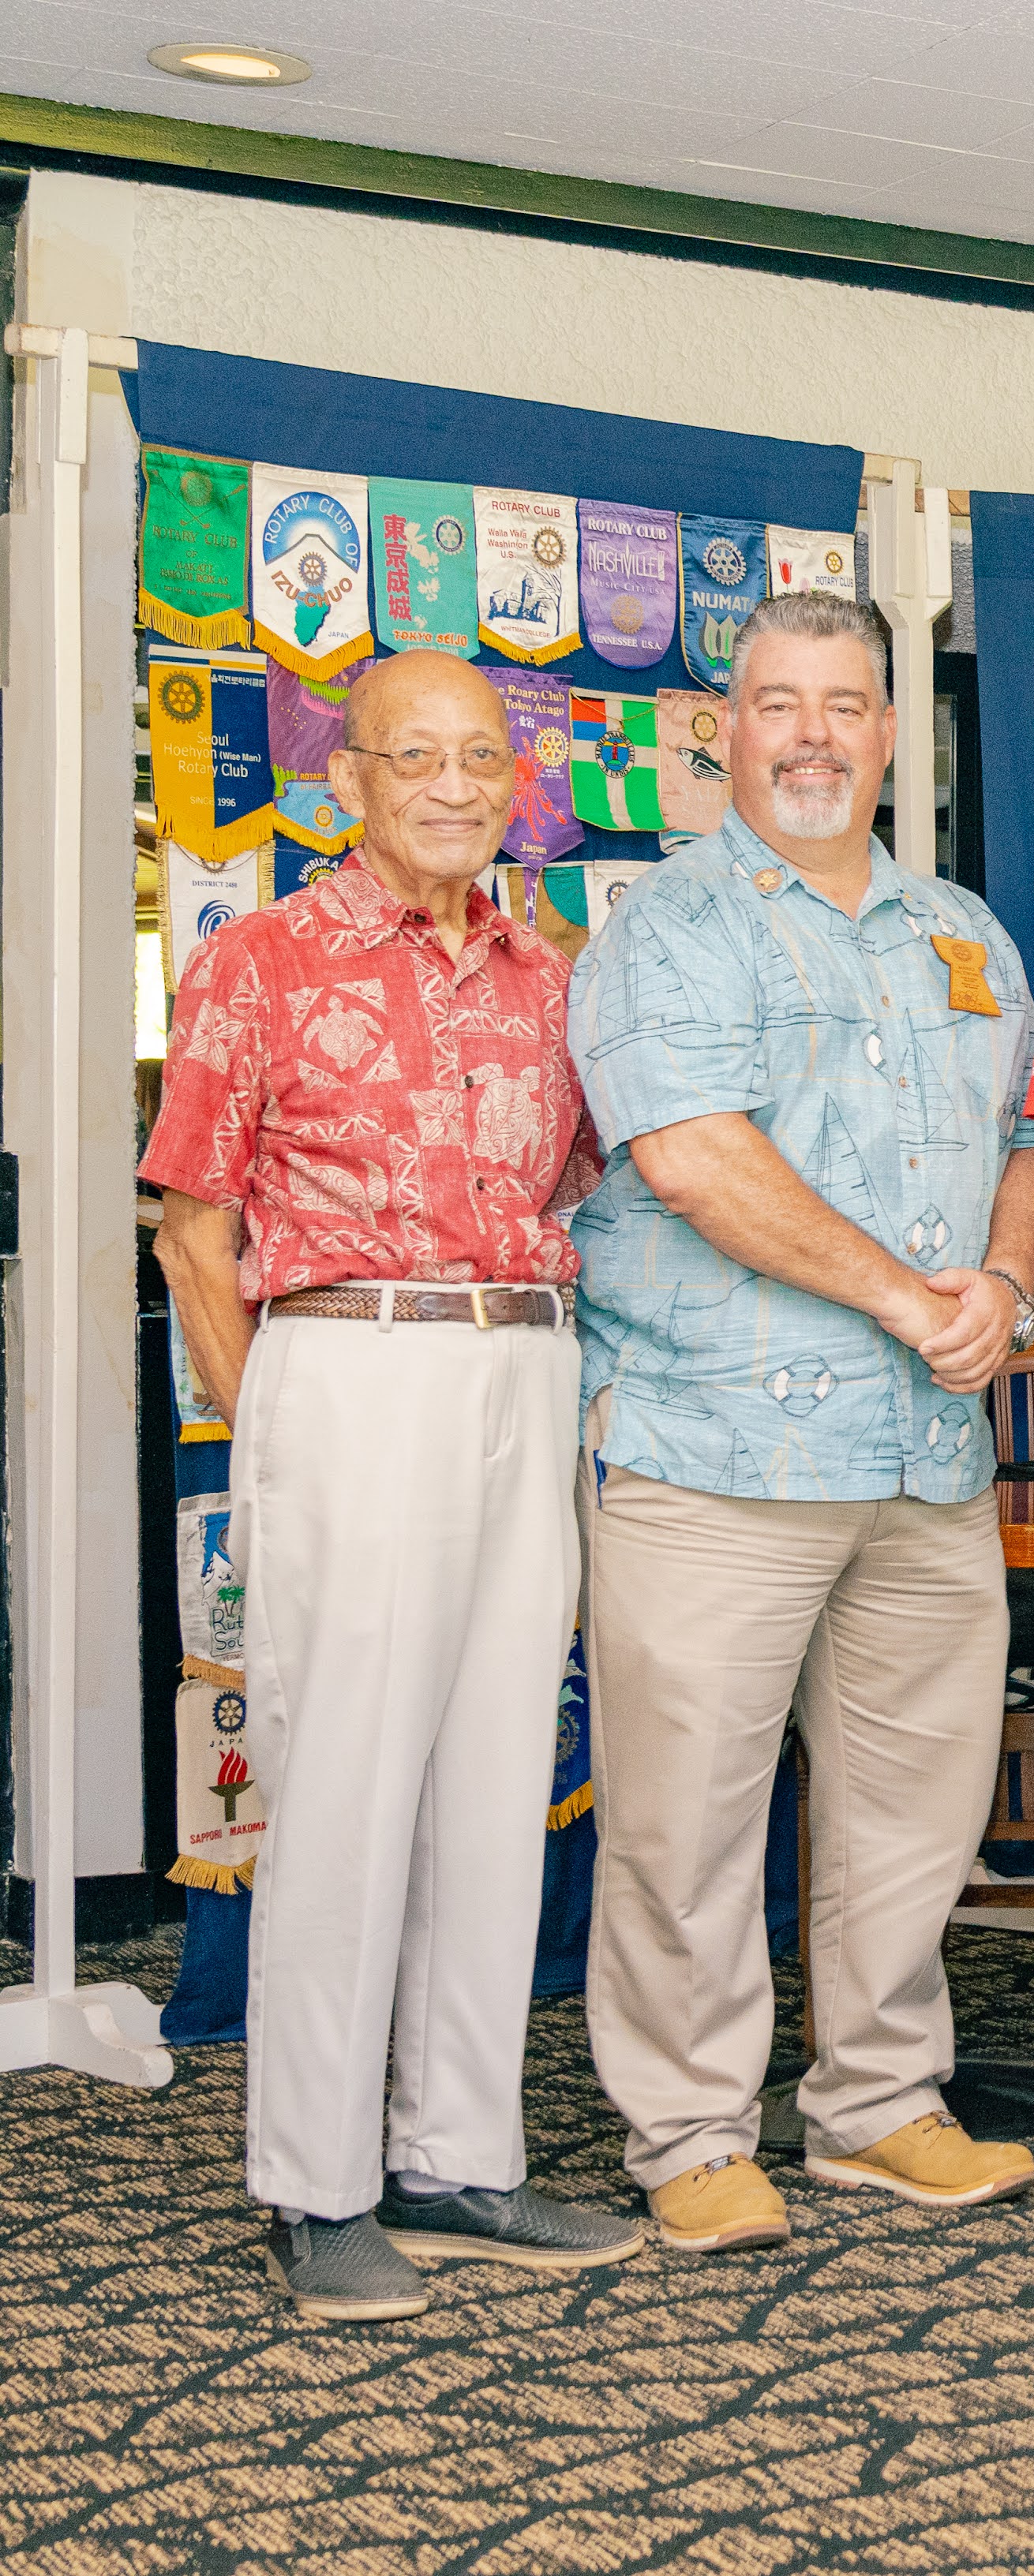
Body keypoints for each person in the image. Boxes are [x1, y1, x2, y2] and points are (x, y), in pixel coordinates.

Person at [143, 649, 644, 2322]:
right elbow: (193, 1230)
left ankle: (456, 2154)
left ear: (518, 784)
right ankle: (314, 2179)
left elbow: (580, 1182)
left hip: (526, 1356)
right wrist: (278, 1415)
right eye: (411, 755)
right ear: (341, 779)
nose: (451, 782)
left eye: (481, 756)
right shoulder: (254, 958)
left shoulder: (549, 975)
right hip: (347, 1365)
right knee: (346, 1783)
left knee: (501, 1774)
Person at [568, 590, 1034, 2253]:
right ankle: (690, 2127)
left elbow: (1032, 1149)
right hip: (718, 1452)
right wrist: (907, 1299)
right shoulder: (668, 929)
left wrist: (997, 1272)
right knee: (686, 1816)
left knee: (914, 1805)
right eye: (780, 704)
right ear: (726, 730)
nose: (814, 737)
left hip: (925, 1458)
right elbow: (692, 1154)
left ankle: (876, 2103)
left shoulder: (971, 935)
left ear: (892, 735)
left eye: (847, 706)